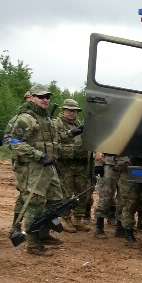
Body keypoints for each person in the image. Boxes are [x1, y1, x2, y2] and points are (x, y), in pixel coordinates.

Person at [6, 83, 64, 257]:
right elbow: (12, 141)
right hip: (33, 167)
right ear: (31, 97)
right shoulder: (26, 118)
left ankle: (43, 233)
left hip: (48, 167)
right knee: (34, 204)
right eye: (41, 97)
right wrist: (38, 155)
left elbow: (53, 141)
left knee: (56, 199)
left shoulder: (45, 118)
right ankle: (32, 244)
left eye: (47, 97)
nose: (45, 99)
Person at [54, 98, 90, 232]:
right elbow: (55, 140)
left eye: (74, 111)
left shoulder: (79, 124)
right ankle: (66, 219)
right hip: (65, 165)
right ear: (63, 110)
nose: (72, 113)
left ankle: (78, 219)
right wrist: (71, 133)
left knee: (82, 192)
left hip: (80, 164)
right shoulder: (57, 124)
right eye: (69, 110)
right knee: (66, 193)